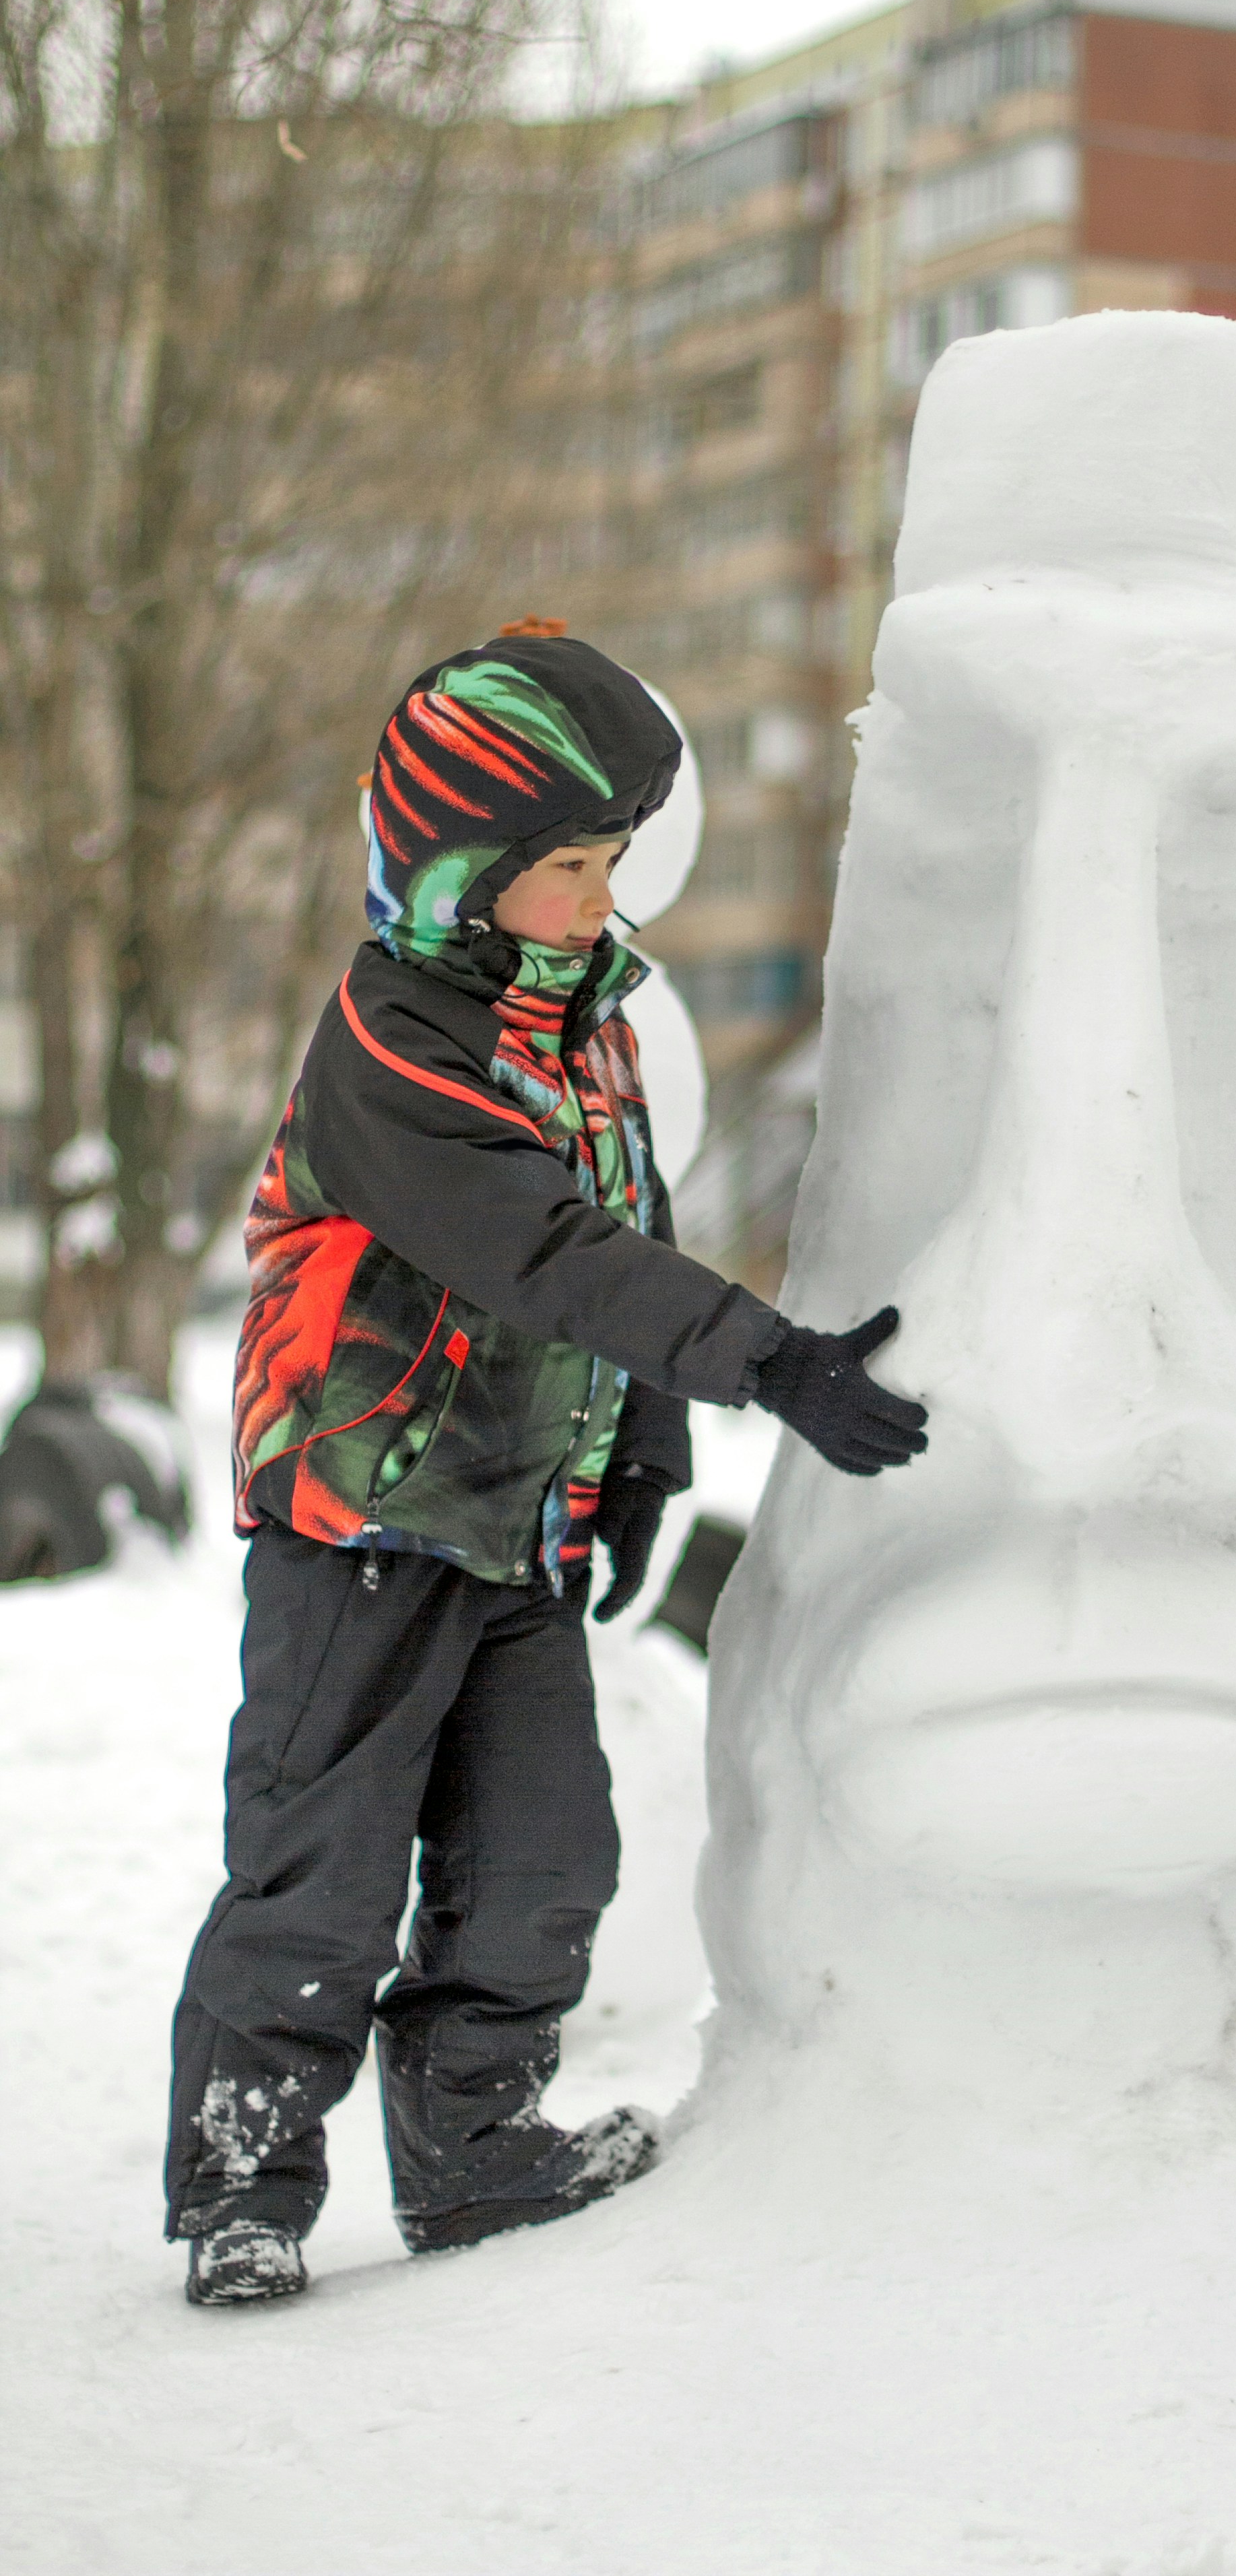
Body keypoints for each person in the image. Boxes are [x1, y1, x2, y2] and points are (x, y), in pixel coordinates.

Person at [167, 628, 926, 2307]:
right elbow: (540, 1250)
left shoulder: (580, 1021)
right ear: (452, 870)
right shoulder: (390, 1041)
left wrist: (640, 1447)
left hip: (509, 1521)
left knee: (544, 1859)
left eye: (609, 861)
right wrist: (769, 1364)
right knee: (321, 1869)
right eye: (569, 867)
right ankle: (244, 2183)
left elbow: (624, 1225)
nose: (601, 897)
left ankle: (474, 2150)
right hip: (358, 1515)